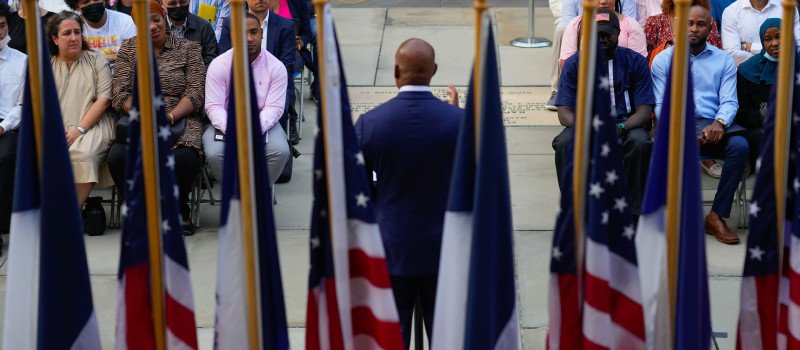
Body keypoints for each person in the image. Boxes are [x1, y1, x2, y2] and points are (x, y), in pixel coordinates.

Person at [354, 38, 461, 349]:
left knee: (391, 338)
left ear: (396, 71)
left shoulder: (369, 124)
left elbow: (356, 191)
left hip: (390, 248)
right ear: (434, 71)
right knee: (447, 337)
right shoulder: (461, 123)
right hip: (445, 250)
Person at [108, 0, 206, 235]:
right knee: (117, 156)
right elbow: (120, 93)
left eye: (156, 19)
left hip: (179, 116)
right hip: (139, 116)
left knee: (183, 156)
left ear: (164, 18)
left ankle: (179, 208)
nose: (151, 26)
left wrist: (168, 117)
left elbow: (195, 92)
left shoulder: (188, 49)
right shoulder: (129, 50)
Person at [651, 5, 745, 244]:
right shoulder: (663, 61)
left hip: (713, 127)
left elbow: (730, 101)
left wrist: (719, 122)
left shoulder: (723, 59)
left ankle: (716, 216)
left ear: (709, 27)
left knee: (741, 146)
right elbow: (661, 105)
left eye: (700, 24)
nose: (694, 29)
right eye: (689, 23)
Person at [553, 9, 655, 217]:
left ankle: (634, 212)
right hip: (585, 125)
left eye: (607, 34)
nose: (602, 40)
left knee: (641, 143)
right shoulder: (574, 65)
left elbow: (644, 111)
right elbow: (564, 113)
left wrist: (620, 127)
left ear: (618, 34)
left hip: (625, 124)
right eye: (596, 34)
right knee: (564, 143)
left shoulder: (635, 62)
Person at [203, 13, 289, 185]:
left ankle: (258, 194)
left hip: (263, 121)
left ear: (262, 34)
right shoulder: (219, 65)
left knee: (280, 151)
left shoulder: (276, 67)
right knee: (215, 153)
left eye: (254, 32)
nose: (249, 38)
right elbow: (214, 106)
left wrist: (252, 129)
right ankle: (235, 192)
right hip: (226, 121)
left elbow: (274, 108)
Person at [47, 10, 116, 209]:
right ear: (55, 38)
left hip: (94, 125)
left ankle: (70, 213)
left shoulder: (97, 60)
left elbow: (104, 99)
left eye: (77, 32)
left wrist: (79, 130)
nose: (74, 38)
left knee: (82, 154)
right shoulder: (47, 65)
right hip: (57, 127)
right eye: (67, 33)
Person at [219, 0, 298, 144]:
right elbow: (225, 62)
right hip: (238, 86)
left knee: (280, 149)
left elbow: (286, 67)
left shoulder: (286, 26)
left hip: (274, 88)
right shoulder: (231, 22)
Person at [733, 18, 780, 162]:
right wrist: (766, 116)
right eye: (768, 39)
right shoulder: (748, 69)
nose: (774, 43)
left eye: (779, 37)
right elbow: (742, 110)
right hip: (759, 126)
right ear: (762, 41)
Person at [0, 1, 25, 247]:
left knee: (7, 156)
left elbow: (21, 105)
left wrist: (3, 126)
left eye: (2, 26)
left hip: (8, 125)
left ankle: (3, 223)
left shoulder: (22, 61)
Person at [559, 0, 647, 68]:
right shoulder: (575, 25)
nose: (603, 1)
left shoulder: (631, 25)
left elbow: (638, 65)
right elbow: (567, 67)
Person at [721, 0, 800, 65]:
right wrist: (777, 53)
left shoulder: (788, 7)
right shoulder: (731, 12)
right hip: (749, 76)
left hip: (784, 74)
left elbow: (797, 47)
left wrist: (753, 48)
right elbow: (731, 54)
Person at [65, 0, 136, 71]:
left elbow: (132, 60)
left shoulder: (126, 22)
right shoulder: (74, 29)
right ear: (77, 7)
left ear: (104, 1)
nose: (92, 4)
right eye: (85, 2)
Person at [644, 0, 722, 58]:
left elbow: (715, 55)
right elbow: (649, 60)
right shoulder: (655, 22)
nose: (694, 29)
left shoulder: (706, 21)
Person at [163, 0, 218, 66]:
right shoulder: (158, 30)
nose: (178, 6)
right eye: (172, 3)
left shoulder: (204, 27)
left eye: (182, 2)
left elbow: (210, 60)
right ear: (162, 4)